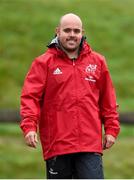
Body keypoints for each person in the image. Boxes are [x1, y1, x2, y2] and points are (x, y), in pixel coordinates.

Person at [20, 13, 120, 179]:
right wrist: (29, 127)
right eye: (67, 30)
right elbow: (30, 97)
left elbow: (108, 99)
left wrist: (111, 129)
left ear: (82, 33)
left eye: (76, 30)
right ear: (58, 32)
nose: (72, 34)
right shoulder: (43, 63)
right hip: (57, 145)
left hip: (90, 145)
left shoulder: (98, 62)